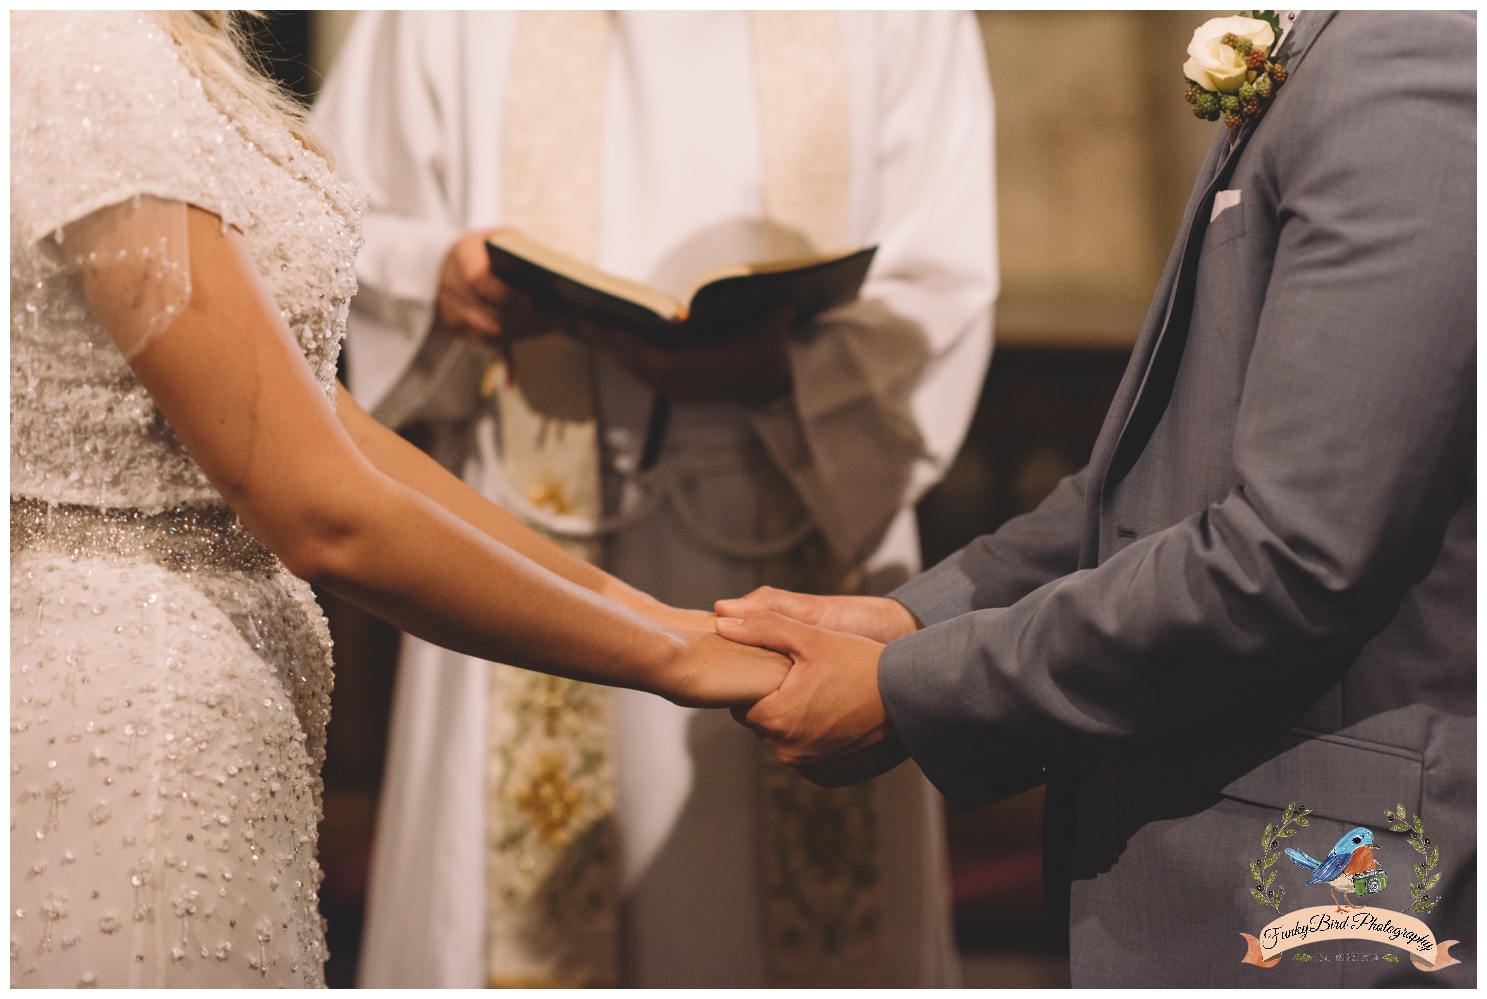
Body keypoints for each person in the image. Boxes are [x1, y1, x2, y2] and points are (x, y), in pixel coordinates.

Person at [9, 11, 787, 988]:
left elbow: (321, 422)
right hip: (131, 702)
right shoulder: (87, 43)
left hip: (202, 698)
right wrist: (669, 658)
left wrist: (665, 620)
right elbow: (321, 509)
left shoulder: (149, 42)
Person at [718, 10, 1475, 987]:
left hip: (1326, 884)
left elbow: (1292, 554)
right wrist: (907, 618)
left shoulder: (1409, 55)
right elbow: (1141, 495)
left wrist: (912, 692)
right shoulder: (1331, 44)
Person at [314, 11, 994, 987]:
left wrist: (791, 365)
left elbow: (943, 277)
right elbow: (330, 209)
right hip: (520, 517)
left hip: (800, 506)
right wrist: (437, 276)